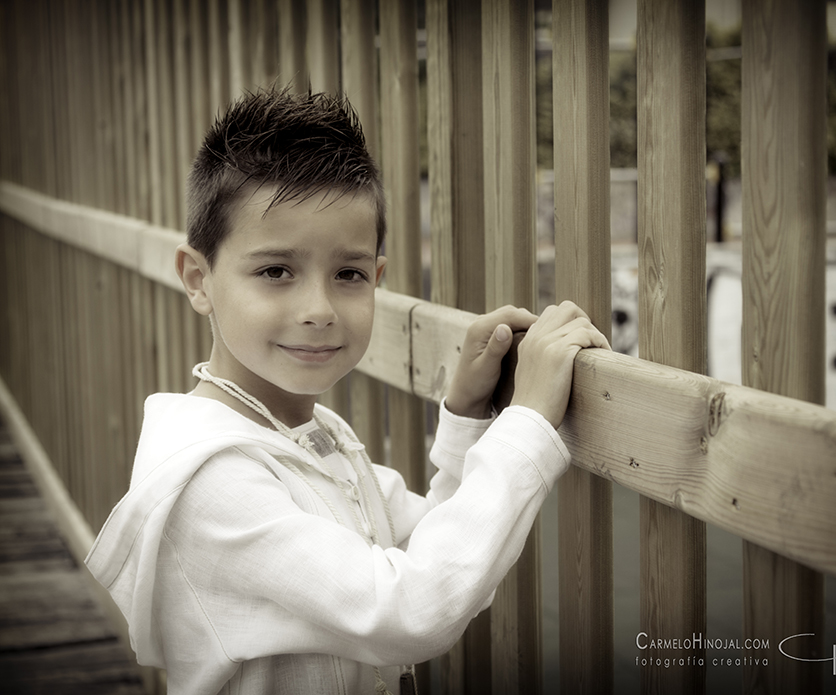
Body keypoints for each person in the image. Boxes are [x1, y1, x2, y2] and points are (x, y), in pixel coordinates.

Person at [85, 88, 610, 695]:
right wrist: (529, 423)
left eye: (349, 274)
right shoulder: (210, 481)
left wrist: (467, 416)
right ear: (199, 279)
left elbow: (432, 551)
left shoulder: (317, 436)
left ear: (377, 280)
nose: (319, 308)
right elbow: (410, 609)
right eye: (275, 271)